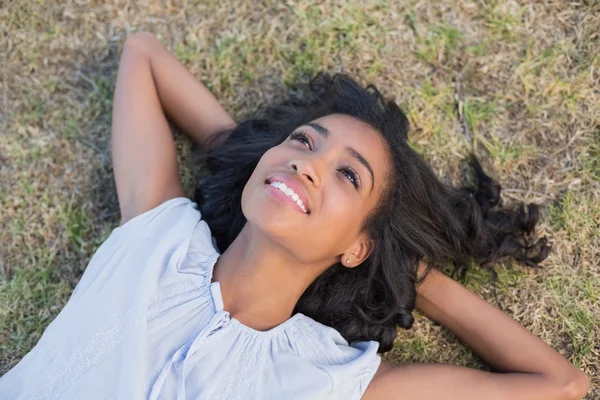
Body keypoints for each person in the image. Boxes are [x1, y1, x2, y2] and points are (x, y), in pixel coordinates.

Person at [0, 32, 590, 400]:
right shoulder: (160, 233)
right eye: (304, 141)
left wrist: (409, 276)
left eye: (348, 175)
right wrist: (253, 157)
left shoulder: (326, 378)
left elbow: (561, 384)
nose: (308, 164)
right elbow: (144, 55)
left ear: (358, 246)